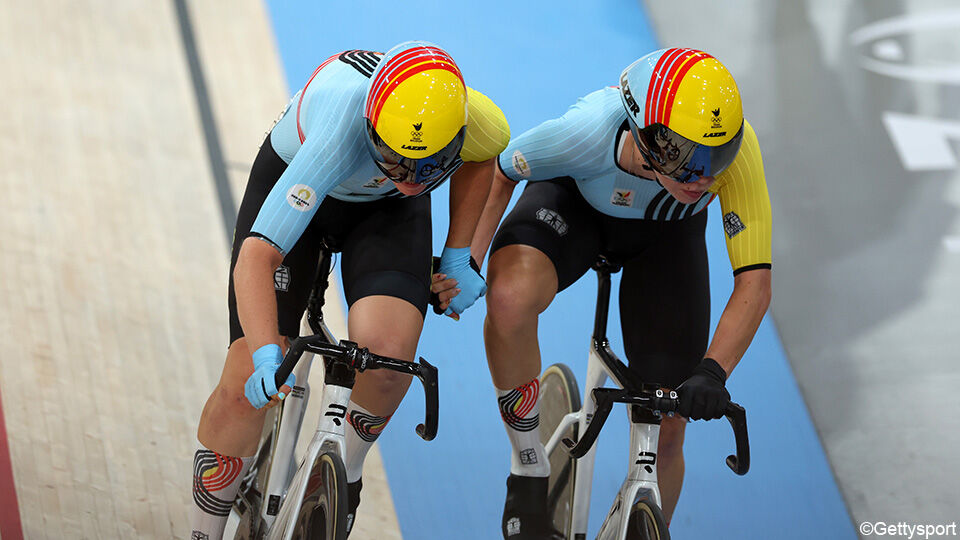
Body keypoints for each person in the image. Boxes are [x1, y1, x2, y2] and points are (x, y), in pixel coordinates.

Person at [438, 47, 771, 538]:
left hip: (665, 240)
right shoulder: (587, 131)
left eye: (715, 157)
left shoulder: (736, 158)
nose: (702, 177)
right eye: (683, 156)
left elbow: (755, 282)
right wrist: (469, 259)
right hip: (575, 209)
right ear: (642, 132)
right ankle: (528, 468)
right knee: (508, 300)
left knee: (670, 416)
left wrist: (713, 371)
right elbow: (502, 169)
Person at [189, 41, 510, 540]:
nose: (410, 180)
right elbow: (258, 256)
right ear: (372, 130)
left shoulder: (470, 121)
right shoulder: (338, 135)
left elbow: (483, 157)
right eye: (397, 162)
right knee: (241, 386)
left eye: (427, 168)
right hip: (307, 188)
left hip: (381, 213)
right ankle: (202, 532)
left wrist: (458, 253)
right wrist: (263, 353)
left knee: (387, 361)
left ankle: (346, 471)